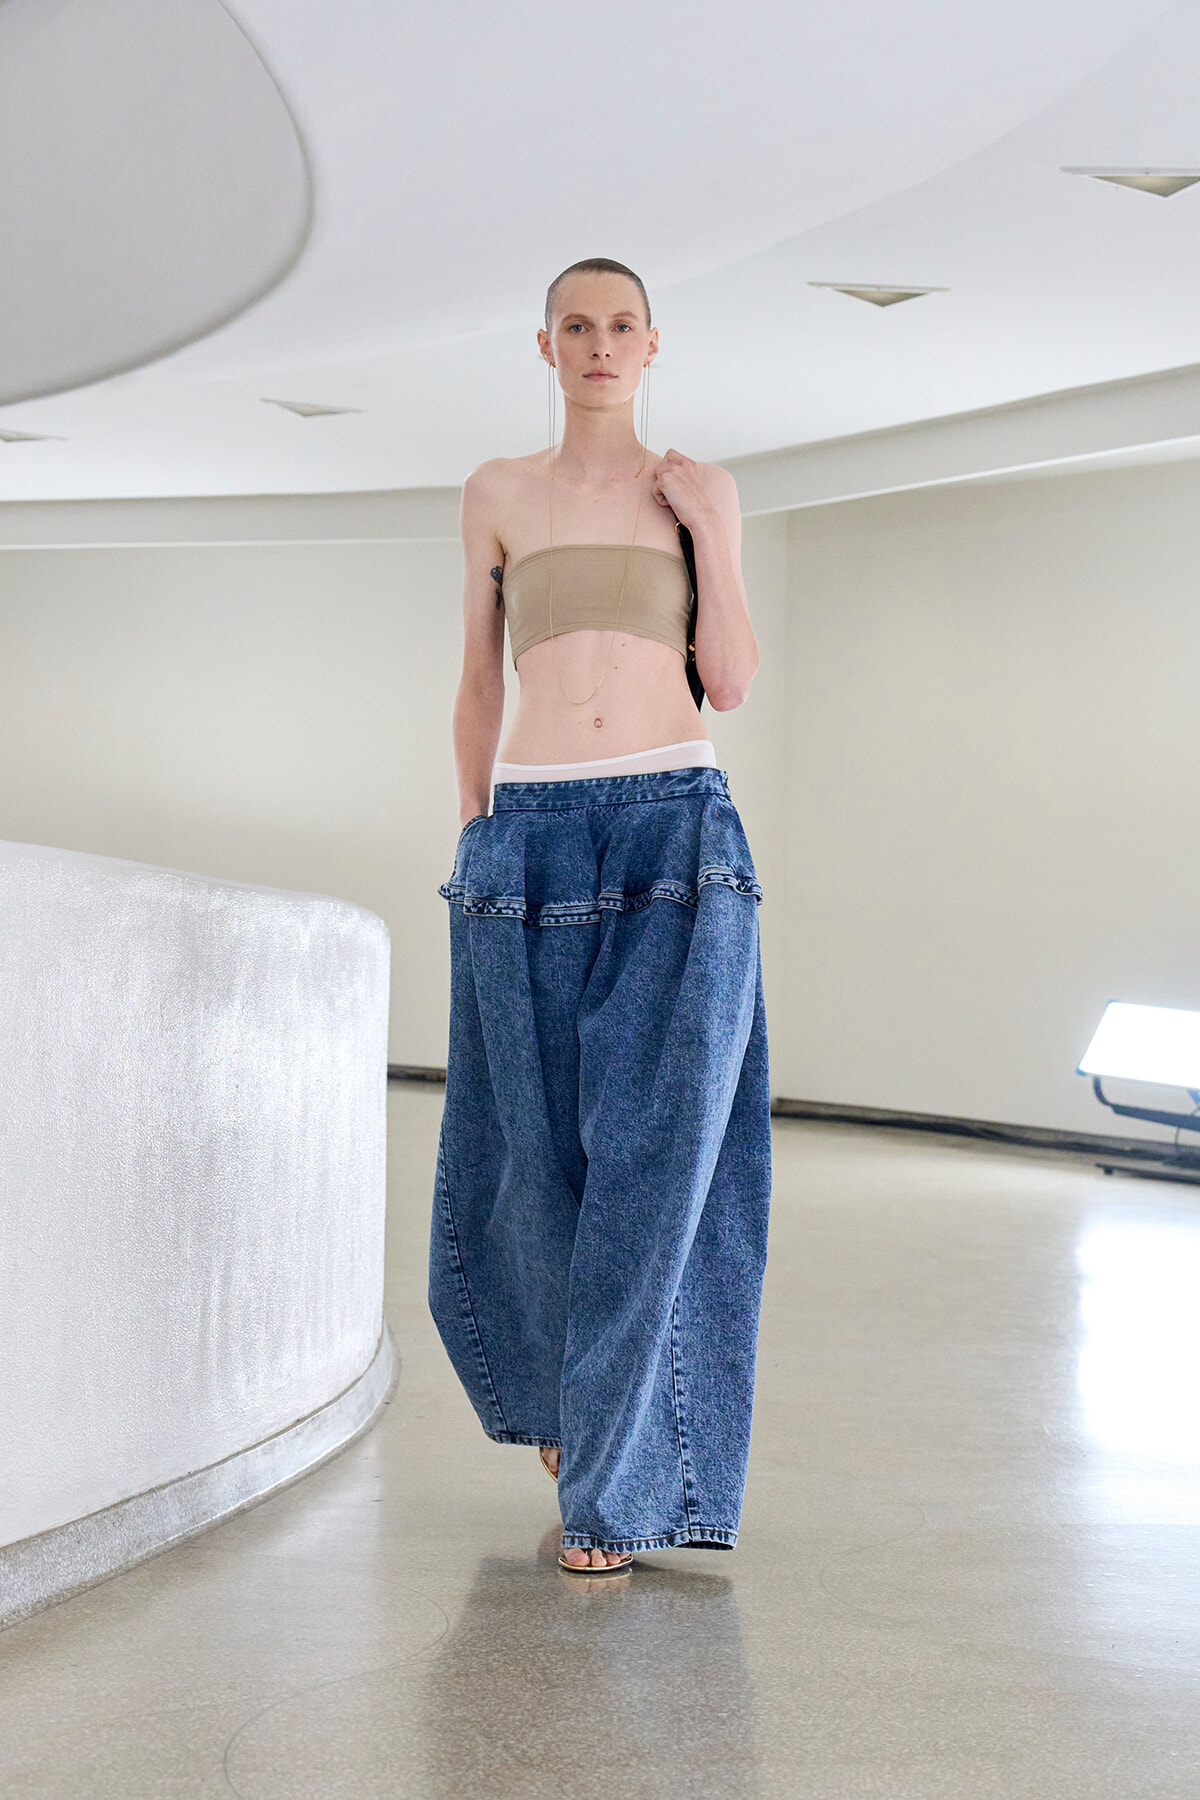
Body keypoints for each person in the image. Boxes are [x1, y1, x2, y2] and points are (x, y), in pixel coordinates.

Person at [430, 257, 771, 1573]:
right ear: (546, 344)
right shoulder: (496, 495)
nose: (600, 344)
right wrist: (473, 833)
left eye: (622, 326)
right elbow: (473, 681)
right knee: (526, 1154)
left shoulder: (699, 490)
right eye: (578, 325)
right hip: (525, 834)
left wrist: (714, 533)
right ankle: (578, 1410)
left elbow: (730, 679)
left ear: (652, 345)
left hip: (676, 817)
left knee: (660, 1157)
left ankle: (617, 1488)